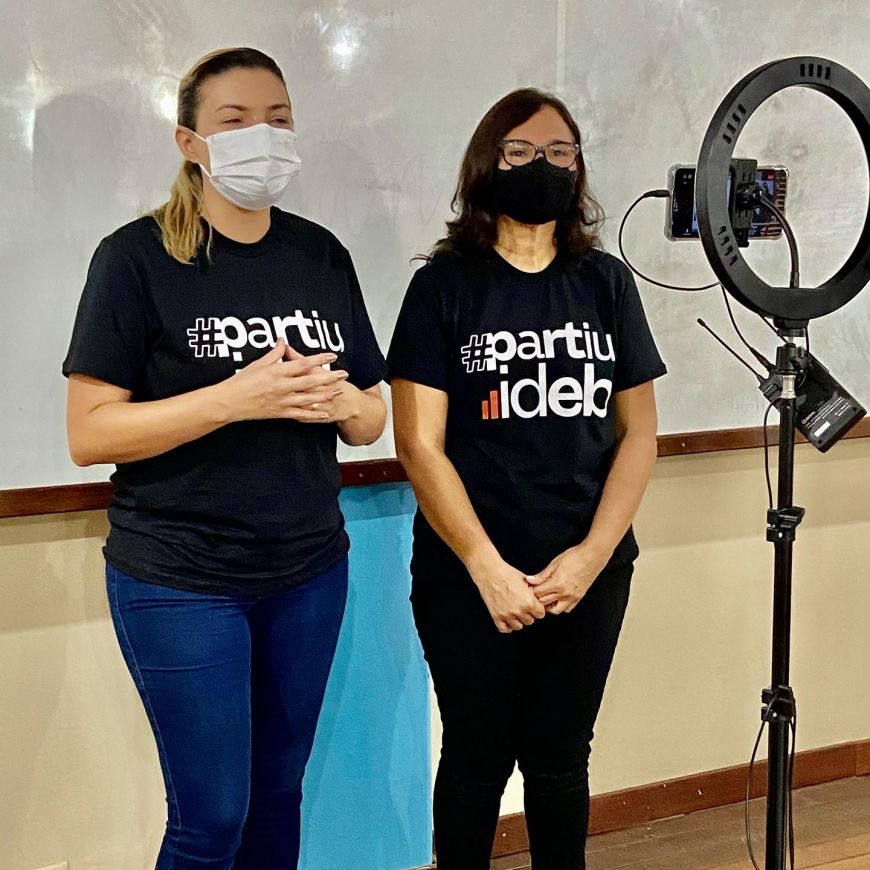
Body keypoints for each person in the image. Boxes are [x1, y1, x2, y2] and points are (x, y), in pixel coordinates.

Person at [62, 47, 387, 869]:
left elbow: (371, 417)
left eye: (279, 119)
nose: (263, 137)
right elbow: (90, 434)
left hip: (308, 571)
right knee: (211, 819)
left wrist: (344, 404)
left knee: (278, 796)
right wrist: (234, 399)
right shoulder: (135, 258)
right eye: (235, 121)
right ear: (190, 142)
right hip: (180, 578)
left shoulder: (320, 254)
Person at [388, 88, 667, 869]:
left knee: (561, 758)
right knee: (476, 759)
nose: (542, 165)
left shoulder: (606, 283)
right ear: (487, 162)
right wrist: (486, 568)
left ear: (578, 169)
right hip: (468, 575)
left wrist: (591, 558)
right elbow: (418, 444)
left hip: (587, 573)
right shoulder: (443, 287)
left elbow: (639, 435)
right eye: (520, 151)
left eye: (559, 152)